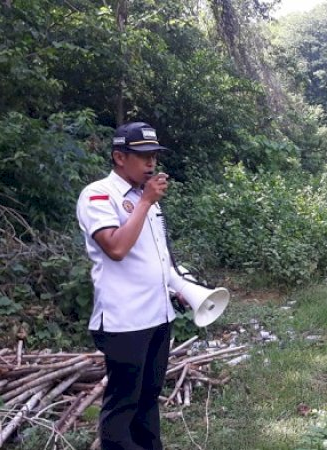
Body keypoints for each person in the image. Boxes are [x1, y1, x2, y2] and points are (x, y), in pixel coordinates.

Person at [77, 122, 192, 449]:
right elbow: (115, 248)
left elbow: (155, 257)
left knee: (148, 398)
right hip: (124, 320)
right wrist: (143, 203)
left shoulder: (147, 198)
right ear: (119, 157)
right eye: (143, 157)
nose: (151, 164)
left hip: (158, 315)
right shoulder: (98, 194)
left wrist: (179, 287)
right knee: (124, 402)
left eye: (154, 156)